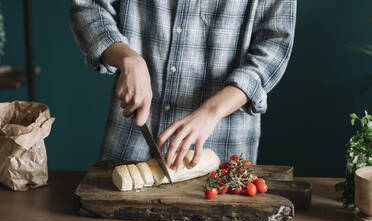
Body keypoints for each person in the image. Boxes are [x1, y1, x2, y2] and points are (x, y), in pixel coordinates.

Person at [70, 0, 296, 170]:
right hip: (129, 143)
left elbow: (274, 47)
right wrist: (126, 58)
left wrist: (212, 110)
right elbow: (89, 7)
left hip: (224, 150)